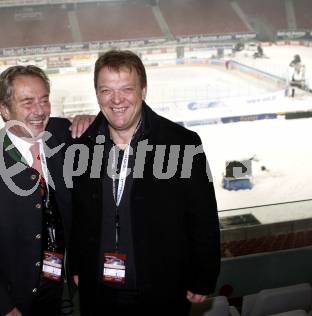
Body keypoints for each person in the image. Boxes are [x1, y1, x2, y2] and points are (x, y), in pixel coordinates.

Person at [69, 50, 220, 316]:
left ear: (144, 90)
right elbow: (79, 217)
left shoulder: (181, 143)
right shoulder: (83, 145)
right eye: (106, 90)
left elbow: (203, 217)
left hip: (161, 290)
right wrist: (78, 266)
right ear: (97, 94)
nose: (116, 100)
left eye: (127, 89)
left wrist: (203, 275)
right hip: (99, 292)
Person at [0, 65, 92, 316]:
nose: (39, 110)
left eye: (44, 100)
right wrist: (4, 307)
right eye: (27, 102)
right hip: (17, 300)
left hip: (69, 291)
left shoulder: (66, 135)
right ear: (4, 109)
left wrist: (94, 121)